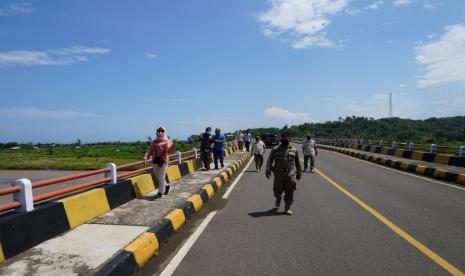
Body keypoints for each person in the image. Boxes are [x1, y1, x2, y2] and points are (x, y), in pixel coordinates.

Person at [266, 132, 302, 215]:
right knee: (276, 191)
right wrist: (267, 169)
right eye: (283, 138)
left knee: (290, 192)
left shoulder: (294, 150)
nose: (285, 139)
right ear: (280, 139)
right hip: (278, 174)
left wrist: (299, 172)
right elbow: (269, 161)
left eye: (286, 137)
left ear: (289, 139)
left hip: (290, 174)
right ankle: (278, 198)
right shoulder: (275, 149)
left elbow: (297, 163)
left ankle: (287, 207)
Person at [144, 127, 176, 198]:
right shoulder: (154, 141)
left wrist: (173, 144)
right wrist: (146, 157)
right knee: (158, 176)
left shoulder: (166, 141)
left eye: (162, 130)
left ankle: (160, 192)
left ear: (164, 132)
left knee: (161, 177)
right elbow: (150, 151)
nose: (160, 132)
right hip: (155, 161)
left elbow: (169, 150)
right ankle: (167, 186)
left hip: (163, 161)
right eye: (158, 130)